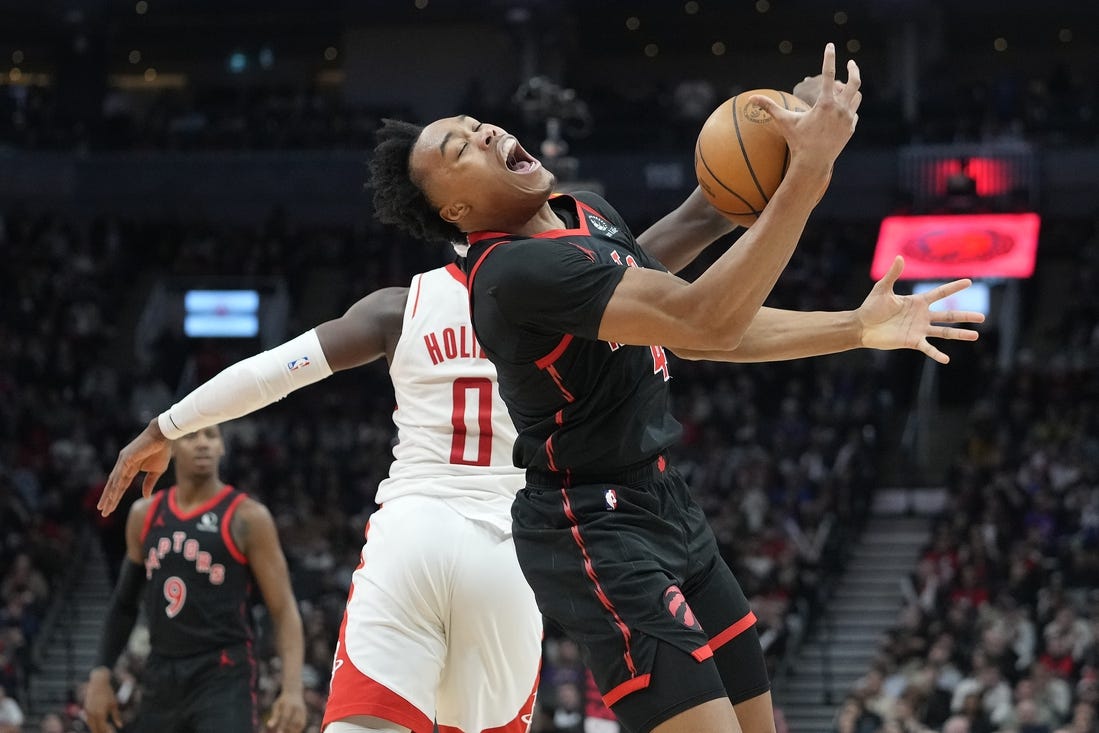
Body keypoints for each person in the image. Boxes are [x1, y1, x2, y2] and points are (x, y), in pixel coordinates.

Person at [366, 43, 984, 733]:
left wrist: (787, 118)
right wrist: (807, 171)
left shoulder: (582, 209)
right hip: (590, 525)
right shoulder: (513, 274)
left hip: (663, 501)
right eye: (458, 147)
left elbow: (702, 229)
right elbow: (705, 318)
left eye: (475, 123)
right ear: (455, 209)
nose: (481, 131)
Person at [84, 424, 307, 733]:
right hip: (161, 671)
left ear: (222, 447)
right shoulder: (144, 514)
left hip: (224, 671)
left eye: (211, 436)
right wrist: (100, 672)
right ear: (170, 448)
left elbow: (283, 609)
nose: (202, 443)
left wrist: (292, 688)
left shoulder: (247, 517)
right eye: (191, 436)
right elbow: (123, 604)